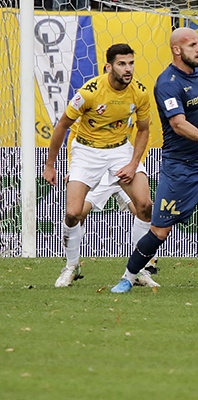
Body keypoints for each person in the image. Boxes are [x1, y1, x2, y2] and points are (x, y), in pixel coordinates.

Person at [110, 28, 198, 293]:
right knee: (159, 231)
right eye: (192, 45)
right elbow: (178, 125)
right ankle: (129, 276)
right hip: (179, 168)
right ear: (177, 50)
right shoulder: (167, 83)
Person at [42, 44, 156, 288]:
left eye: (131, 63)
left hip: (120, 151)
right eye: (122, 64)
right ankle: (72, 266)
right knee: (73, 213)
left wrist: (133, 163)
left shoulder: (140, 92)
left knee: (145, 206)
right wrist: (50, 165)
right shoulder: (89, 92)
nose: (128, 69)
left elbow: (144, 130)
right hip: (86, 151)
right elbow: (62, 125)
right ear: (109, 66)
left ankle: (138, 269)